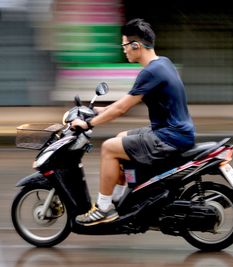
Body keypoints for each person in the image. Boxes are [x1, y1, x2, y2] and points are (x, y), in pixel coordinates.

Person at [71, 18, 195, 226]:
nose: (124, 50)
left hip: (170, 136)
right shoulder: (162, 63)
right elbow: (125, 100)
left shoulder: (150, 72)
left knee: (109, 148)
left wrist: (88, 124)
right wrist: (99, 110)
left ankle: (103, 208)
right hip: (173, 131)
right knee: (120, 137)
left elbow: (121, 109)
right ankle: (120, 200)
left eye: (124, 46)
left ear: (136, 45)